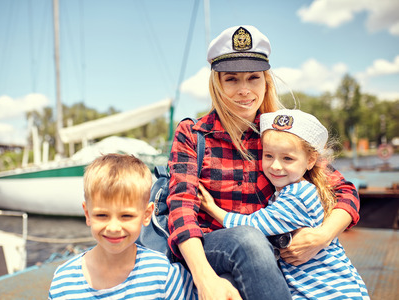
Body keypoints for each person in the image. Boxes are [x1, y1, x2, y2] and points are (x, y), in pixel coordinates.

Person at [167, 25, 360, 300]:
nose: (244, 90)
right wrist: (205, 279)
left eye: (253, 78)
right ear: (217, 83)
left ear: (265, 81)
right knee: (248, 240)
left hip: (271, 258)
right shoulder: (193, 135)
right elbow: (181, 210)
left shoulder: (280, 133)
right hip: (215, 244)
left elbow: (344, 191)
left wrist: (322, 236)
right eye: (232, 79)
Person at [199, 109, 370, 299]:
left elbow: (254, 225)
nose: (276, 166)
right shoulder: (295, 190)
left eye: (287, 158)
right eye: (268, 156)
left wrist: (211, 208)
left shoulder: (297, 196)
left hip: (328, 291)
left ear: (311, 160)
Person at [48, 154, 197, 299]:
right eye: (102, 215)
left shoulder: (163, 275)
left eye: (126, 216)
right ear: (87, 214)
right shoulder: (63, 282)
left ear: (146, 215)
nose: (113, 228)